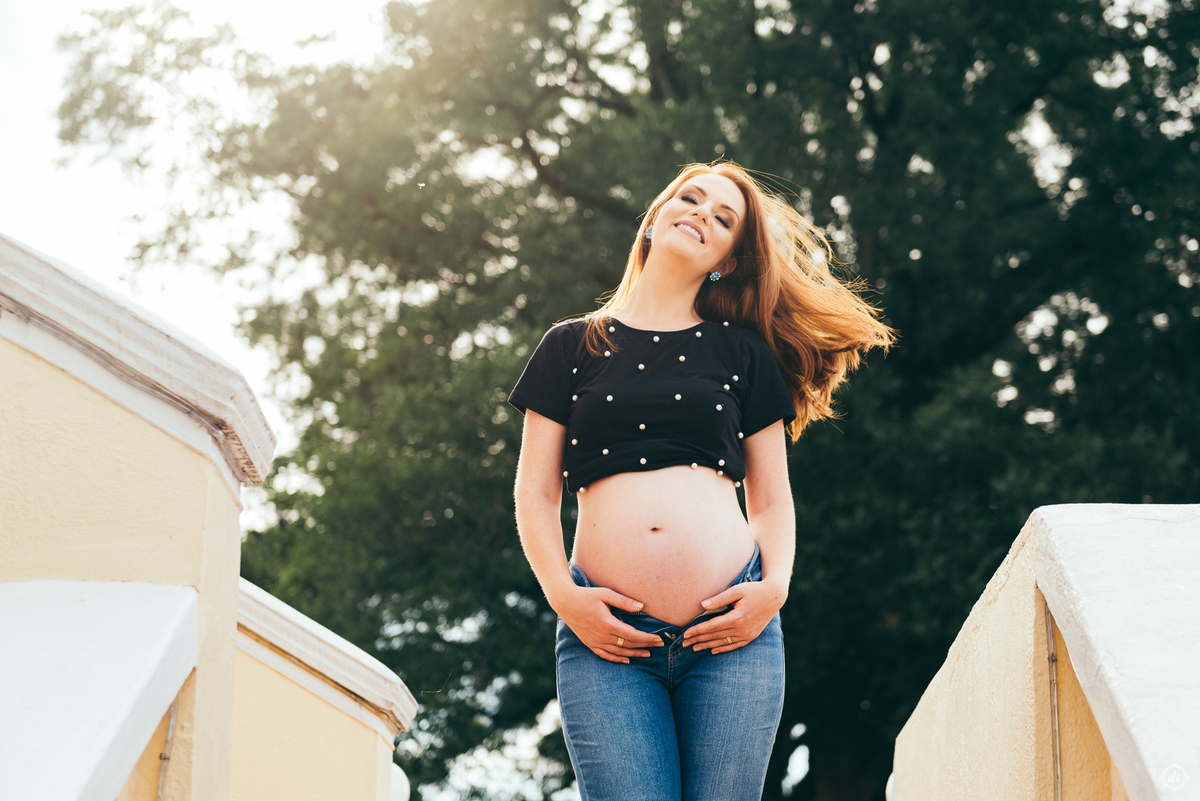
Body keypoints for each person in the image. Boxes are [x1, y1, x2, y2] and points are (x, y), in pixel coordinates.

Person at [508, 161, 893, 801]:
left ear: (726, 261)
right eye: (690, 199)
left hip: (733, 635)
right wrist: (566, 599)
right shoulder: (569, 346)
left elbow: (771, 499)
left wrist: (773, 589)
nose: (700, 215)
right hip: (606, 643)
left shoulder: (742, 353)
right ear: (656, 217)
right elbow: (535, 495)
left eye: (722, 219)